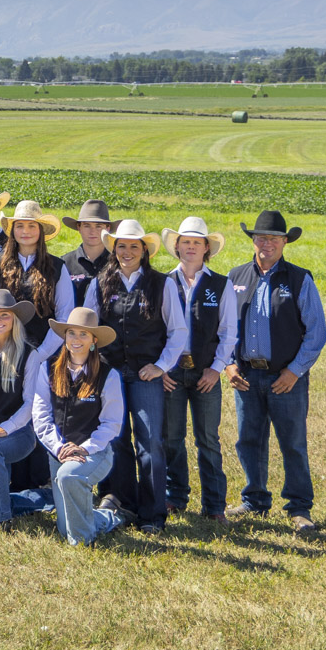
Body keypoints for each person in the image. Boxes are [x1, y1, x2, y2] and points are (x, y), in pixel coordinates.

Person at [219, 211, 326, 534]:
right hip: (247, 375)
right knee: (248, 440)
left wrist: (294, 372)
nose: (267, 244)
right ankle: (255, 498)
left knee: (292, 442)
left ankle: (299, 506)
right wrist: (228, 364)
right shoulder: (235, 278)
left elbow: (316, 333)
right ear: (253, 241)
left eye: (274, 239)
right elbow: (223, 329)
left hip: (286, 378)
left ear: (284, 243)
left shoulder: (298, 279)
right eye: (261, 238)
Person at [84, 218, 186, 533]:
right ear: (114, 249)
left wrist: (162, 365)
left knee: (151, 441)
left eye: (134, 246)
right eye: (122, 246)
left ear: (144, 250)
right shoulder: (100, 282)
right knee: (115, 440)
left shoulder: (162, 283)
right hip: (110, 373)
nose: (127, 252)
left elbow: (178, 330)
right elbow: (87, 328)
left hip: (146, 375)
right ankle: (122, 503)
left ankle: (153, 514)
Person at [31, 308, 127, 547]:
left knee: (69, 475)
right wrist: (60, 447)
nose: (76, 340)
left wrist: (83, 449)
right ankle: (106, 517)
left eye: (83, 335)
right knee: (65, 527)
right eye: (71, 333)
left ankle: (83, 543)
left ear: (94, 340)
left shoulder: (108, 375)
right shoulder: (48, 369)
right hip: (59, 453)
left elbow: (112, 424)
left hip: (95, 453)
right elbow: (41, 416)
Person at [160, 217, 232, 523]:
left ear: (207, 249)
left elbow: (229, 332)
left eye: (197, 243)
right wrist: (161, 367)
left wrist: (216, 369)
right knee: (172, 438)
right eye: (185, 242)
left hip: (205, 372)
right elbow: (155, 329)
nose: (190, 247)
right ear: (177, 247)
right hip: (172, 372)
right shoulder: (164, 282)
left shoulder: (220, 284)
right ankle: (175, 497)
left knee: (208, 439)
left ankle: (215, 505)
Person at [0, 289, 54, 528]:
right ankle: (12, 506)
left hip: (20, 434)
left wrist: (4, 429)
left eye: (4, 315)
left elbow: (30, 404)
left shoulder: (29, 354)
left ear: (14, 319)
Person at [0, 200, 74, 350]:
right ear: (12, 231)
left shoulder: (57, 267)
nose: (25, 231)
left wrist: (41, 353)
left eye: (32, 226)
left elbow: (64, 317)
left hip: (44, 354)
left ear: (40, 230)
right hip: (2, 350)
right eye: (20, 226)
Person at [61, 200, 118, 305]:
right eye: (87, 225)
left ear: (108, 228)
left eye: (98, 226)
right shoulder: (64, 263)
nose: (92, 231)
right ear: (79, 227)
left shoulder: (117, 263)